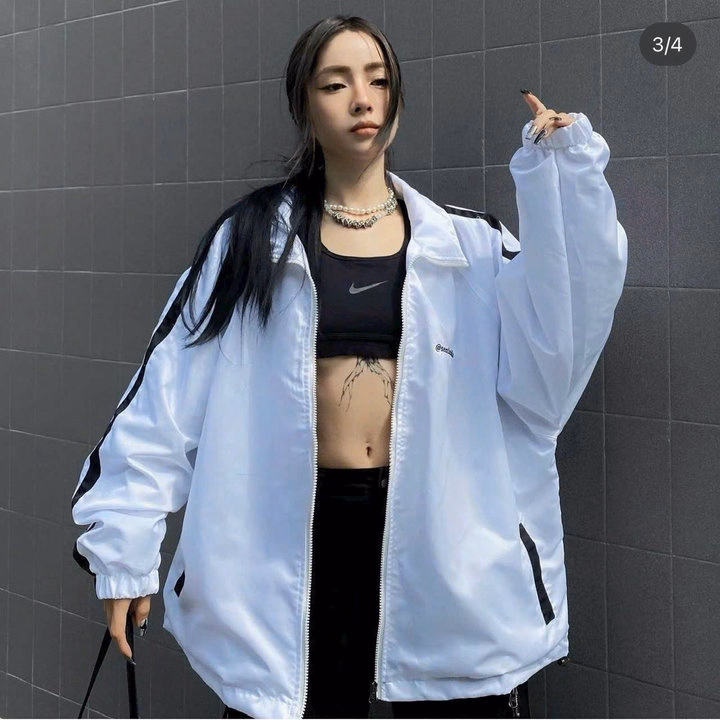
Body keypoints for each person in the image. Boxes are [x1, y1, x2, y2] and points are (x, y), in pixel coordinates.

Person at [70, 13, 627, 720]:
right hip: (296, 535)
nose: (362, 99)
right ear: (305, 104)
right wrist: (124, 549)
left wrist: (565, 180)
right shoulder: (250, 243)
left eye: (379, 80)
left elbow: (560, 348)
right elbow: (163, 400)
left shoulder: (470, 246)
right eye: (336, 84)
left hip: (441, 533)